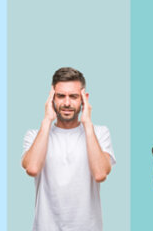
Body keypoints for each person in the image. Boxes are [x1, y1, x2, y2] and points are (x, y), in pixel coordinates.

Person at [20, 67, 114, 230]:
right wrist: (47, 120)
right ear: (51, 99)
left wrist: (87, 124)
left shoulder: (99, 133)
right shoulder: (35, 135)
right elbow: (32, 169)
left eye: (73, 96)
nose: (67, 103)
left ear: (84, 99)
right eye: (61, 96)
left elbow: (100, 174)